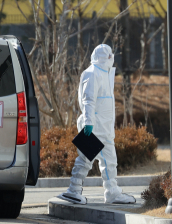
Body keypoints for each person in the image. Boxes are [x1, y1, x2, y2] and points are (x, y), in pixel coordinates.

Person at [57, 44, 136, 205]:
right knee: (85, 158)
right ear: (104, 56)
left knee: (110, 160)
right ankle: (73, 190)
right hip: (93, 125)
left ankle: (112, 191)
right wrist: (88, 122)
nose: (111, 58)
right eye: (109, 55)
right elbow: (88, 100)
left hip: (105, 127)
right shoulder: (92, 74)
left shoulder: (105, 74)